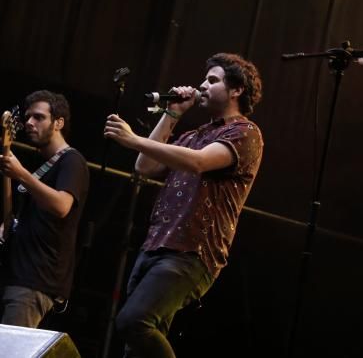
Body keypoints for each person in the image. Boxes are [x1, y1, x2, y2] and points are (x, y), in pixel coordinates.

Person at [103, 53, 263, 357]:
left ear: (237, 90)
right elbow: (145, 166)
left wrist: (133, 138)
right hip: (156, 245)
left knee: (133, 321)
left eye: (212, 80)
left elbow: (200, 162)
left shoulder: (244, 132)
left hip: (192, 251)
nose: (202, 85)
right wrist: (172, 114)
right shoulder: (194, 135)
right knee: (136, 344)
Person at [0, 90, 89, 328]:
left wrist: (21, 174)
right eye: (27, 117)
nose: (29, 122)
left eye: (38, 117)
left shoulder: (72, 161)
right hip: (17, 274)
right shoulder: (43, 165)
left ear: (58, 122)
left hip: (35, 280)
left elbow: (61, 206)